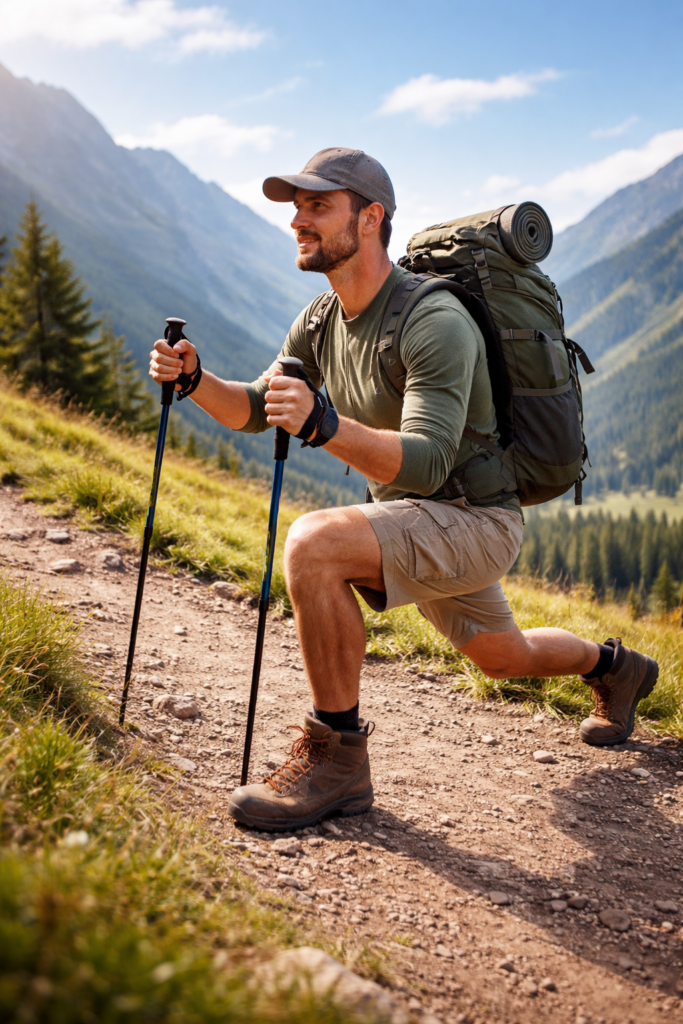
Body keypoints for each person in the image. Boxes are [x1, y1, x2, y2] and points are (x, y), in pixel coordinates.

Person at [149, 147, 659, 833]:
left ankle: (338, 761)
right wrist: (193, 379)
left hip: (475, 521)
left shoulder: (432, 320)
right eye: (295, 207)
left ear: (370, 218)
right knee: (502, 657)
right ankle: (617, 668)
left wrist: (324, 423)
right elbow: (253, 406)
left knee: (314, 546)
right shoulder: (321, 319)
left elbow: (423, 462)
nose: (298, 220)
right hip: (412, 519)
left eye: (316, 205)